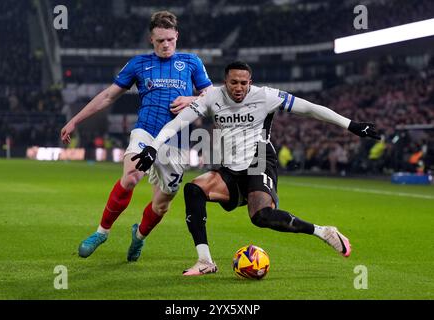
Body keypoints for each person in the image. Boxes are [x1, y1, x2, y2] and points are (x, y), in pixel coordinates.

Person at [134, 61, 380, 275]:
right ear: (225, 82)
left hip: (259, 159)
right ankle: (205, 261)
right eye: (234, 83)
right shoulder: (211, 98)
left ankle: (323, 231)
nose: (239, 88)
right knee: (193, 190)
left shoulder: (265, 96)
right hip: (229, 166)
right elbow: (178, 122)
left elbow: (310, 109)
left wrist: (351, 125)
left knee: (261, 217)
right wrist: (154, 147)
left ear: (250, 82)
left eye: (244, 83)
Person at [60, 11, 212, 261]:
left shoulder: (192, 62)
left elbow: (212, 97)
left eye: (170, 40)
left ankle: (139, 236)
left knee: (161, 205)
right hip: (147, 131)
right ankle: (101, 232)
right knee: (130, 177)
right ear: (151, 40)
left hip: (177, 141)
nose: (165, 45)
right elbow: (108, 96)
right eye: (160, 40)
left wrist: (192, 98)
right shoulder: (139, 64)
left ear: (177, 36)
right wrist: (75, 119)